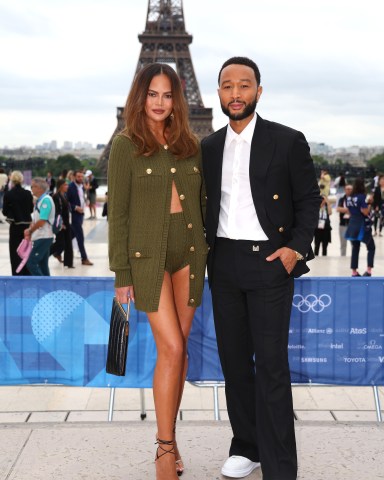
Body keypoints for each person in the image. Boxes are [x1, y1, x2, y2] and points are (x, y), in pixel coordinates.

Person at [201, 57, 320, 480]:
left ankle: (281, 465)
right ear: (218, 93)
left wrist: (295, 250)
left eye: (244, 85)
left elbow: (309, 202)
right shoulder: (208, 147)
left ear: (258, 91)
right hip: (225, 264)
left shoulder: (287, 141)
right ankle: (246, 446)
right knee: (234, 364)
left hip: (270, 262)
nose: (236, 93)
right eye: (227, 86)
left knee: (271, 365)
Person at [108, 63, 207, 480]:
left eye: (168, 95)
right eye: (153, 94)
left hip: (189, 253)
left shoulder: (189, 144)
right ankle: (164, 449)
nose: (160, 103)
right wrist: (121, 273)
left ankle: (170, 436)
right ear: (140, 96)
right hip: (147, 259)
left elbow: (201, 202)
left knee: (180, 351)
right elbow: (119, 214)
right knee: (171, 348)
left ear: (177, 99)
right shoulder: (125, 144)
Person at [2, 171, 34, 275]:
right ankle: (27, 272)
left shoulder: (8, 194)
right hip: (27, 227)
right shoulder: (28, 193)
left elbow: (5, 211)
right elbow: (31, 209)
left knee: (15, 251)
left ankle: (16, 273)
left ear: (11, 180)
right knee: (26, 250)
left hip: (15, 226)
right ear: (22, 180)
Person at [24, 177, 55, 276]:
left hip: (43, 237)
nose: (31, 188)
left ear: (39, 188)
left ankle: (42, 285)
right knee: (43, 265)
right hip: (41, 236)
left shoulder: (45, 200)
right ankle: (47, 287)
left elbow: (42, 221)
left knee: (31, 263)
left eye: (32, 186)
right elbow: (36, 219)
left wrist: (30, 231)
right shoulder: (39, 201)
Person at [345, 177, 375, 277]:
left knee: (355, 247)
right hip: (362, 225)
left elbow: (349, 211)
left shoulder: (349, 197)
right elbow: (365, 212)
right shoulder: (361, 197)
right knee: (371, 247)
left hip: (352, 224)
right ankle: (369, 270)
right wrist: (369, 204)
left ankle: (354, 272)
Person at [66, 170, 93, 266]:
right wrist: (75, 207)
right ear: (74, 177)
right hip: (74, 215)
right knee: (80, 237)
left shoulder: (81, 187)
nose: (80, 178)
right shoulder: (70, 187)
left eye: (81, 177)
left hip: (80, 215)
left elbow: (81, 198)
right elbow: (66, 202)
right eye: (78, 177)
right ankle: (84, 258)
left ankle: (56, 251)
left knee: (71, 235)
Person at [50, 179, 74, 268]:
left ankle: (68, 263)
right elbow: (56, 211)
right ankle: (47, 253)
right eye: (65, 185)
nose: (67, 186)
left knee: (68, 241)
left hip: (67, 222)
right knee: (60, 243)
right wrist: (61, 223)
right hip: (60, 223)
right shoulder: (56, 197)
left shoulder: (64, 195)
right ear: (60, 186)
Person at [336, 184, 353, 256]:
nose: (348, 190)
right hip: (343, 223)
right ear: (345, 190)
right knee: (343, 243)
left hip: (353, 224)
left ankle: (354, 257)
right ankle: (343, 256)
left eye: (350, 189)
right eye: (347, 189)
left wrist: (345, 210)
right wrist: (348, 210)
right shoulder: (342, 199)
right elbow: (338, 209)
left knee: (354, 243)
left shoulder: (354, 199)